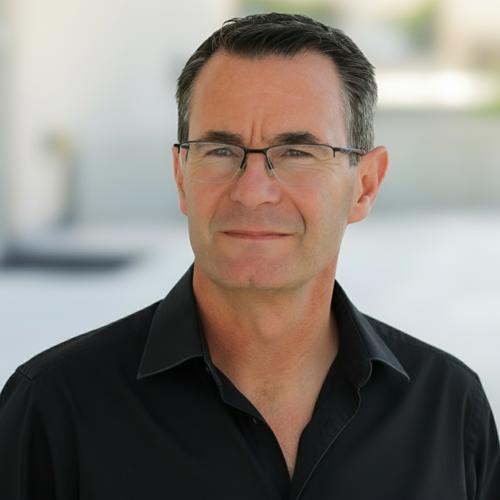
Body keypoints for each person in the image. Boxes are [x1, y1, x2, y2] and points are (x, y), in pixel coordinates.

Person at [0, 12, 499, 500]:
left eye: (297, 152)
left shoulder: (450, 409)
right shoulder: (54, 409)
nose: (253, 191)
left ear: (364, 186)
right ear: (181, 176)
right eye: (220, 150)